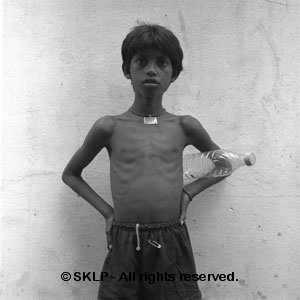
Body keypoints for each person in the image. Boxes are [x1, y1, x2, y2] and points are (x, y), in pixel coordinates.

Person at [62, 23, 227, 300]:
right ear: (128, 70)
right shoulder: (108, 127)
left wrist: (189, 192)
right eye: (142, 61)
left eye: (162, 63)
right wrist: (107, 212)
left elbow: (223, 163)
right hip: (124, 238)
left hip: (170, 238)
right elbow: (71, 174)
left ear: (173, 74)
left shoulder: (185, 126)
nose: (152, 69)